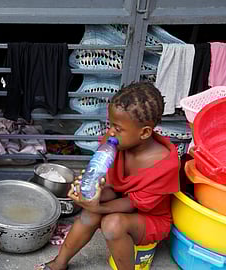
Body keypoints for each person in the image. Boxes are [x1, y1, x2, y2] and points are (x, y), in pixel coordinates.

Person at [37, 82, 180, 270]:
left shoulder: (164, 164)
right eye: (110, 124)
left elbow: (133, 203)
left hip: (150, 218)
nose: (111, 132)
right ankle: (59, 263)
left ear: (144, 132)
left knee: (112, 224)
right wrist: (87, 192)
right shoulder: (115, 144)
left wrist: (98, 207)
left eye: (118, 128)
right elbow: (109, 184)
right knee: (90, 212)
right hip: (123, 200)